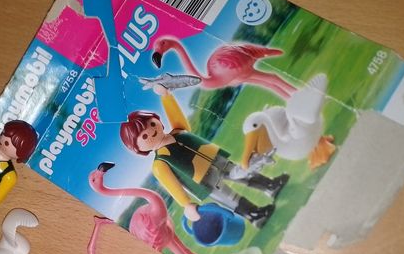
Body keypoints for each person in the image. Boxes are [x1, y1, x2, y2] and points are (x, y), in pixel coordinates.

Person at [119, 90, 287, 228]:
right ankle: (254, 214)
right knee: (229, 196)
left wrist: (166, 96)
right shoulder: (159, 164)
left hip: (215, 160)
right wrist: (186, 204)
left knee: (242, 173)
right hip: (202, 180)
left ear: (156, 120)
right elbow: (173, 186)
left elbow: (178, 119)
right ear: (139, 148)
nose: (151, 131)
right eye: (144, 136)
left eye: (151, 124)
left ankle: (270, 185)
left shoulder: (177, 132)